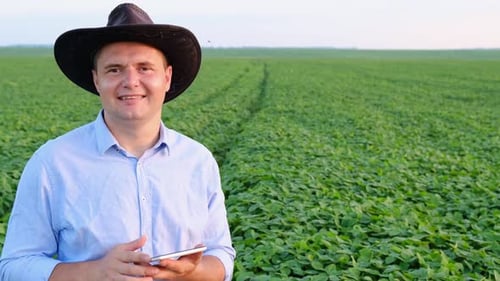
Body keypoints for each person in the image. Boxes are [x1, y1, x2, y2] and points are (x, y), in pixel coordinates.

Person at [0, 3, 235, 281]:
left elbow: (221, 253)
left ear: (167, 77)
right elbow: (14, 266)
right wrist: (94, 272)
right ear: (96, 80)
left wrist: (191, 273)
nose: (130, 81)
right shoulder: (53, 162)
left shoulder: (198, 161)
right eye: (114, 70)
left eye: (145, 68)